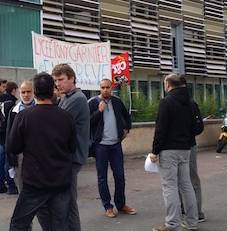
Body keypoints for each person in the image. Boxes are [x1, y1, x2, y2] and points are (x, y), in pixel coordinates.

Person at [7, 72, 77, 231]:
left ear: (35, 92)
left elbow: (13, 147)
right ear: (53, 90)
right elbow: (73, 147)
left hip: (34, 182)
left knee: (19, 224)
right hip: (60, 180)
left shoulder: (24, 117)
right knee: (59, 225)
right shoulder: (66, 117)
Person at [41, 63, 89, 230]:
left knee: (67, 202)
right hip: (69, 156)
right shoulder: (67, 98)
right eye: (55, 80)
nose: (58, 84)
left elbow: (57, 123)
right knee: (67, 200)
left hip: (72, 156)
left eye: (61, 80)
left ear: (72, 78)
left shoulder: (77, 99)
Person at [149, 73, 199, 231]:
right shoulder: (190, 103)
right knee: (186, 185)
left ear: (168, 85)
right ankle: (192, 221)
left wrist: (154, 151)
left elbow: (161, 128)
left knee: (169, 187)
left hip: (168, 149)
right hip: (185, 148)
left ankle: (172, 224)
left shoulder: (166, 102)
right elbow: (195, 127)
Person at [87, 78, 135, 218]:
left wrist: (127, 129)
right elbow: (87, 123)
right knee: (102, 177)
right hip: (100, 146)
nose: (105, 90)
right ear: (99, 88)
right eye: (103, 87)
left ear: (111, 88)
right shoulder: (93, 103)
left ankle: (121, 204)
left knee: (119, 176)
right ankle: (107, 206)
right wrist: (99, 112)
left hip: (115, 144)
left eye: (108, 87)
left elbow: (127, 116)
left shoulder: (117, 101)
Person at [179, 77, 206, 222]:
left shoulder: (189, 103)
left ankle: (194, 211)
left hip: (185, 145)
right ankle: (191, 210)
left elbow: (198, 126)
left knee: (189, 178)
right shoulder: (190, 103)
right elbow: (199, 126)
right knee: (188, 178)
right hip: (188, 144)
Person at [5, 80, 36, 190]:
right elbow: (9, 135)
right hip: (20, 154)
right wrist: (10, 161)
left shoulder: (40, 108)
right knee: (22, 187)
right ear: (19, 93)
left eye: (28, 92)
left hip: (39, 153)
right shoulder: (14, 111)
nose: (26, 95)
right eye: (23, 92)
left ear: (33, 92)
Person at [0, 81, 19, 195]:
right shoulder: (10, 103)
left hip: (0, 135)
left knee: (1, 161)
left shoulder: (0, 102)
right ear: (13, 90)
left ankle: (0, 185)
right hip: (7, 135)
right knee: (8, 161)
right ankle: (11, 185)